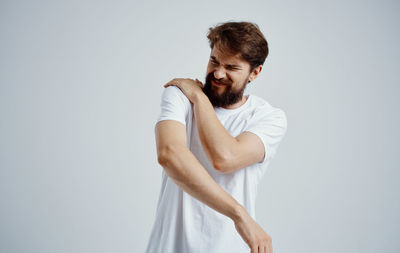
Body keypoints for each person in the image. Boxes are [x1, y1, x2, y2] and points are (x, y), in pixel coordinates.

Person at [145, 21, 287, 253]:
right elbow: (170, 155)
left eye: (231, 67)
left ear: (255, 72)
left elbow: (225, 158)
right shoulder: (179, 95)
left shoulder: (268, 118)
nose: (218, 73)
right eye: (214, 61)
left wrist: (200, 100)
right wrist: (239, 215)